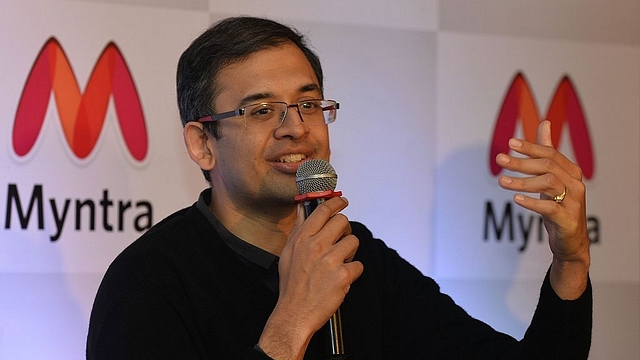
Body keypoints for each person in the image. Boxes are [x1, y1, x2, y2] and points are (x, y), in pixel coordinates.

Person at [86, 16, 592, 359]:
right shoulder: (149, 283)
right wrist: (289, 326)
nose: (295, 129)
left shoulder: (354, 255)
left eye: (308, 104)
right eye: (261, 111)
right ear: (202, 143)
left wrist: (570, 264)